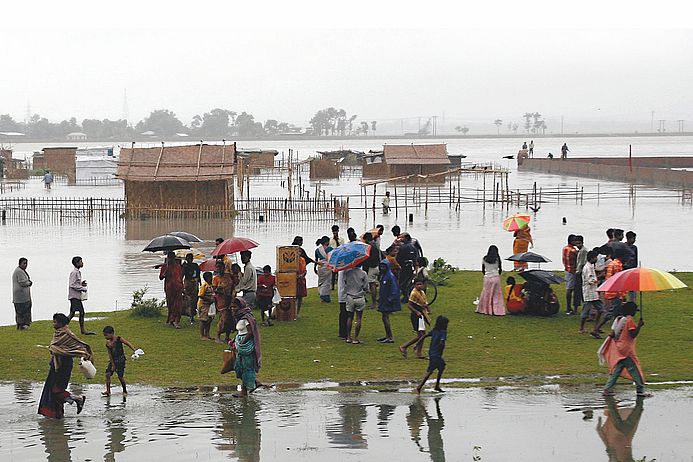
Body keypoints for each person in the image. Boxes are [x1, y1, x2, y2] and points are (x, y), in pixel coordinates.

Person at [38, 313, 91, 418]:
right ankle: (57, 415)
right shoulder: (58, 333)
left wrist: (84, 354)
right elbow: (55, 347)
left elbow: (78, 346)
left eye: (55, 322)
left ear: (61, 323)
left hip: (63, 366)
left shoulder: (67, 334)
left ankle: (77, 399)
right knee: (52, 390)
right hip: (55, 365)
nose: (54, 324)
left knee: (56, 390)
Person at [599, 302, 650, 397]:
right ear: (631, 311)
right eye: (635, 310)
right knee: (635, 369)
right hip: (627, 350)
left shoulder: (619, 320)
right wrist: (639, 325)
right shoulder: (629, 320)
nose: (636, 312)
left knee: (617, 370)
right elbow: (633, 334)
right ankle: (640, 390)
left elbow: (613, 333)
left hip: (619, 348)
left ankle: (607, 389)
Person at [231, 297, 263, 397]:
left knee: (246, 367)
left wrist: (242, 342)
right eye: (232, 307)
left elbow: (249, 332)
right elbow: (240, 331)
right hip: (240, 343)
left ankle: (244, 391)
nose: (233, 309)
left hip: (246, 346)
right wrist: (234, 340)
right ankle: (255, 382)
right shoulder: (240, 317)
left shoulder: (247, 318)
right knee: (238, 367)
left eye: (235, 307)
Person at [592, 248, 626, 338]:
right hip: (616, 292)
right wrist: (622, 294)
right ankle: (596, 329)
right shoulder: (618, 265)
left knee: (618, 313)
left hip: (610, 290)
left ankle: (617, 331)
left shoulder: (612, 263)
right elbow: (618, 280)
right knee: (611, 313)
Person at [415, 315, 448, 394]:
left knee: (441, 367)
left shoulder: (434, 331)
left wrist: (417, 344)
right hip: (436, 355)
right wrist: (441, 344)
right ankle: (420, 387)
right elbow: (442, 341)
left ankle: (436, 385)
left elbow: (424, 336)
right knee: (430, 370)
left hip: (432, 353)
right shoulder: (443, 332)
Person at [399, 279, 430, 359]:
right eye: (417, 284)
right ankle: (405, 347)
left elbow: (424, 303)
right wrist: (416, 312)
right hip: (416, 315)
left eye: (421, 284)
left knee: (423, 334)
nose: (419, 286)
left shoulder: (422, 292)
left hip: (421, 314)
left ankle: (418, 352)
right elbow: (409, 305)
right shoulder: (414, 293)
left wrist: (427, 309)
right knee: (421, 335)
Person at [102, 326, 136, 397]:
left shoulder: (118, 339)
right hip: (113, 361)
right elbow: (110, 354)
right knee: (107, 374)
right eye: (104, 335)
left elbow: (127, 343)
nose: (105, 337)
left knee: (120, 376)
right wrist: (113, 364)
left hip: (120, 360)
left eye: (106, 335)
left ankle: (124, 390)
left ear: (112, 333)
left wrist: (134, 350)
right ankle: (108, 391)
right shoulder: (108, 344)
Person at [580, 250, 605, 335]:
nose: (596, 259)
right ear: (591, 258)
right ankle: (581, 328)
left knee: (601, 310)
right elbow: (590, 280)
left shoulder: (591, 266)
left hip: (594, 292)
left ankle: (596, 327)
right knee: (585, 311)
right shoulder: (587, 268)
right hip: (589, 292)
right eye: (595, 258)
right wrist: (598, 279)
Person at [342, 266, 369, 344]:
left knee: (350, 317)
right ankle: (355, 338)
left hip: (350, 297)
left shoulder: (347, 272)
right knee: (359, 318)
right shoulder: (363, 273)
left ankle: (348, 336)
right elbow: (365, 286)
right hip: (359, 297)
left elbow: (345, 283)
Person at [68, 256, 94, 335]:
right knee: (81, 312)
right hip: (74, 296)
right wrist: (81, 288)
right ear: (77, 263)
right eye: (81, 261)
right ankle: (82, 330)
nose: (82, 263)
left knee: (72, 313)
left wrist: (81, 284)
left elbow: (76, 283)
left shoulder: (78, 272)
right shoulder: (74, 273)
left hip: (76, 296)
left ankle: (62, 326)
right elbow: (72, 284)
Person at [476, 245, 506, 316]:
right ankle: (497, 310)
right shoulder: (497, 259)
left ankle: (485, 309)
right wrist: (497, 275)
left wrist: (486, 275)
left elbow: (483, 269)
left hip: (487, 277)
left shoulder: (484, 258)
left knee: (486, 294)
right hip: (495, 277)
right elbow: (500, 269)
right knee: (496, 295)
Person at [377, 259, 401, 343]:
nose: (382, 268)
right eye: (381, 266)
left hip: (387, 301)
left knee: (385, 317)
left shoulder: (390, 276)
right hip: (383, 300)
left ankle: (390, 337)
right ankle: (387, 335)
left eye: (384, 266)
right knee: (384, 318)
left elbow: (394, 290)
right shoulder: (383, 275)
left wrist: (390, 299)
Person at [159, 251, 185, 329]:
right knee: (170, 304)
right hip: (169, 288)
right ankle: (170, 319)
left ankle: (176, 321)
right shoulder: (164, 267)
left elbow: (180, 277)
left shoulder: (178, 266)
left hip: (178, 287)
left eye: (172, 258)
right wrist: (164, 273)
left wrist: (183, 287)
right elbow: (160, 277)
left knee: (178, 305)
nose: (171, 259)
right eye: (169, 258)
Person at [214, 259, 236, 344]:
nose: (219, 269)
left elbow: (234, 284)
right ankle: (218, 336)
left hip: (230, 299)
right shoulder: (216, 278)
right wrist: (219, 290)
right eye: (217, 267)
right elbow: (214, 290)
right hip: (221, 300)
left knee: (230, 318)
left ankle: (227, 336)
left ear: (223, 267)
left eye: (220, 267)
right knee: (224, 318)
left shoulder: (228, 276)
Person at [361, 232, 383, 309]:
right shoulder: (375, 245)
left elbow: (370, 259)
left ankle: (374, 304)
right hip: (377, 266)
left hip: (372, 268)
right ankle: (378, 300)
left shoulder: (369, 247)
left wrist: (364, 262)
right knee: (376, 284)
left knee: (372, 285)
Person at [12, 257, 33, 330]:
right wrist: (29, 283)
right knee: (23, 310)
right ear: (20, 263)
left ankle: (21, 325)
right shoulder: (19, 271)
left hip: (22, 296)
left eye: (26, 263)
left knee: (22, 311)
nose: (25, 265)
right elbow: (22, 282)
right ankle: (23, 325)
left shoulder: (21, 271)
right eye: (24, 263)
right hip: (21, 297)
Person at [182, 253, 201, 324]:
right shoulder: (185, 266)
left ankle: (192, 315)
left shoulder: (195, 265)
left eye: (191, 258)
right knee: (188, 300)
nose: (189, 260)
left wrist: (200, 283)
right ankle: (189, 315)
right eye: (188, 258)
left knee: (194, 300)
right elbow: (182, 275)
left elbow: (198, 275)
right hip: (188, 283)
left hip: (195, 284)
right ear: (186, 259)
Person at [562, 234, 578, 315]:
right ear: (572, 241)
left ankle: (569, 307)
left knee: (569, 288)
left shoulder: (565, 248)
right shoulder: (573, 251)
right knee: (570, 289)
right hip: (572, 270)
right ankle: (569, 307)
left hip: (567, 269)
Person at [197, 271, 216, 340]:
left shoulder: (211, 286)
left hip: (209, 305)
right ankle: (202, 335)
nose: (211, 279)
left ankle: (207, 334)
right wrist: (209, 299)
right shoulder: (204, 286)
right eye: (210, 277)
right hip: (203, 305)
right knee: (203, 320)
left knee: (209, 320)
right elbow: (200, 295)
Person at [314, 236, 333, 303]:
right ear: (327, 242)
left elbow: (316, 260)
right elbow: (332, 258)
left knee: (321, 282)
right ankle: (325, 296)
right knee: (327, 282)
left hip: (320, 267)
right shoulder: (330, 249)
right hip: (327, 266)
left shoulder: (317, 250)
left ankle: (322, 297)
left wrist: (314, 268)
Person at [573, 235, 587, 313]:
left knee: (579, 291)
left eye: (579, 243)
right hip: (579, 272)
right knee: (578, 291)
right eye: (576, 243)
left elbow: (581, 263)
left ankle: (581, 309)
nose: (578, 245)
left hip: (580, 273)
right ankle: (577, 308)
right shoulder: (580, 250)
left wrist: (577, 272)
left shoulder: (583, 251)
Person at [329, 225, 344, 289]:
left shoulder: (341, 239)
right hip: (333, 258)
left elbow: (341, 248)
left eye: (336, 232)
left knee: (340, 273)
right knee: (333, 273)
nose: (335, 233)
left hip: (340, 257)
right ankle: (332, 286)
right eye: (333, 232)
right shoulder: (330, 240)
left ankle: (339, 285)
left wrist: (337, 240)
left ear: (338, 231)